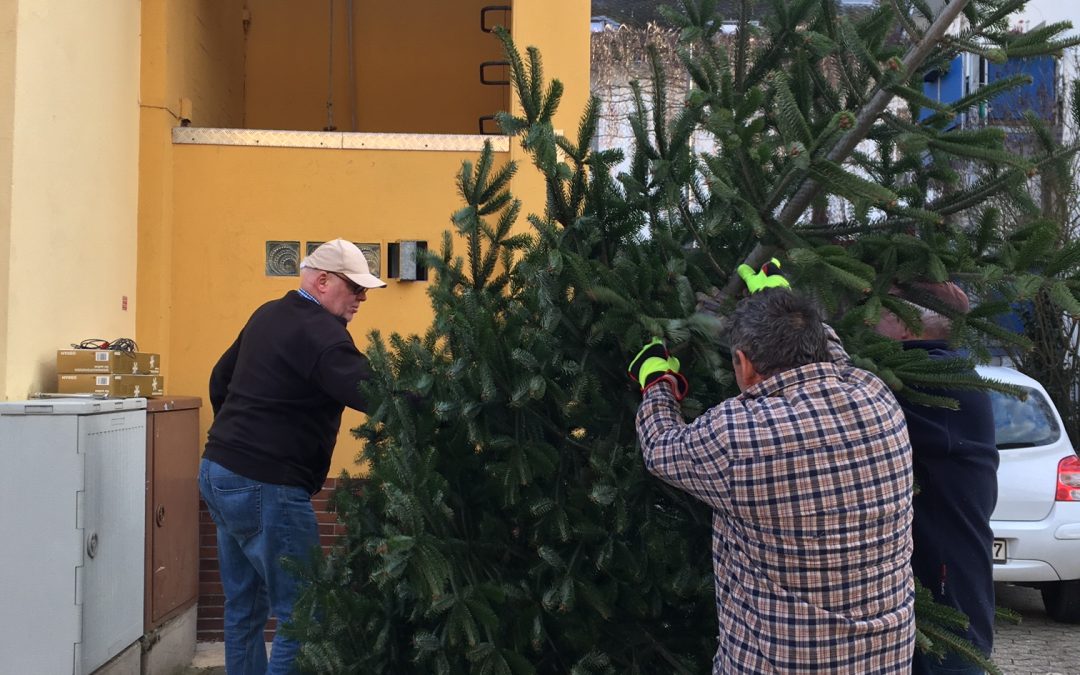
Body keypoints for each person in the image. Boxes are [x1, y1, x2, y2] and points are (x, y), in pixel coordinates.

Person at [631, 278, 915, 673]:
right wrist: (787, 306)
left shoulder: (737, 436)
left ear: (745, 364)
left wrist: (657, 384)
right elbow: (834, 362)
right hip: (882, 661)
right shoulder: (876, 398)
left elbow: (662, 447)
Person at [198, 238, 386, 674]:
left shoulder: (268, 314)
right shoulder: (321, 333)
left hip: (218, 470)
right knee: (305, 613)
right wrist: (437, 401)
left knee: (243, 610)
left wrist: (236, 436)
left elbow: (220, 378)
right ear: (322, 281)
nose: (361, 298)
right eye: (354, 287)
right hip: (268, 486)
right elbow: (371, 391)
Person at [874, 282, 998, 675]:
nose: (868, 319)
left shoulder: (931, 380)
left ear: (907, 324)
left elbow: (837, 404)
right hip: (939, 587)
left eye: (881, 311)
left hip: (944, 597)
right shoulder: (938, 374)